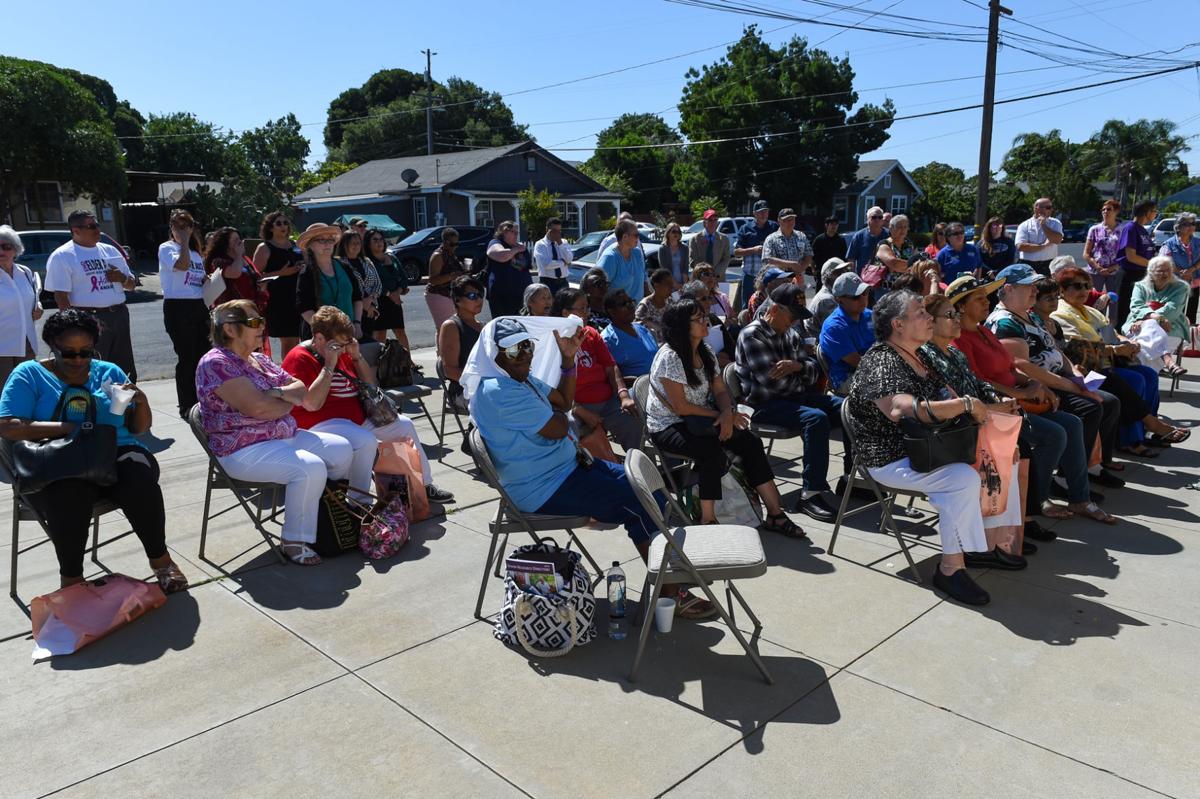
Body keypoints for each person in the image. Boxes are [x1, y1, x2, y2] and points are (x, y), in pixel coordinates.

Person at [0, 309, 187, 592]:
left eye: (85, 352)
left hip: (115, 453)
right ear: (53, 347)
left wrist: (142, 401)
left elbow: (138, 429)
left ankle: (161, 562)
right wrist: (71, 428)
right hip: (58, 460)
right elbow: (8, 426)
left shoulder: (109, 372)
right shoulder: (30, 374)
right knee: (68, 492)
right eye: (69, 353)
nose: (78, 361)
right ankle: (73, 580)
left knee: (138, 476)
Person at [844, 290, 994, 605]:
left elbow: (945, 392)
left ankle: (986, 546)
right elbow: (901, 409)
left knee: (990, 459)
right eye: (920, 314)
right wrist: (965, 404)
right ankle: (953, 567)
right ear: (898, 324)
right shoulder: (881, 361)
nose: (929, 318)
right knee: (961, 479)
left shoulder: (920, 353)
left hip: (926, 447)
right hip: (889, 458)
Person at [469, 318, 660, 560]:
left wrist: (568, 360)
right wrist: (558, 415)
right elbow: (559, 427)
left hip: (569, 468)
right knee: (640, 502)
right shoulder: (499, 391)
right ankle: (670, 588)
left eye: (528, 346)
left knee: (650, 487)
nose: (525, 355)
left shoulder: (520, 379)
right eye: (514, 350)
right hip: (545, 488)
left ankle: (671, 579)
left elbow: (564, 402)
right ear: (494, 355)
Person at [196, 300, 356, 566]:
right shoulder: (216, 363)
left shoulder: (259, 359)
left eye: (262, 320)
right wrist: (283, 403)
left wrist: (277, 395)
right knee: (310, 468)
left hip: (281, 437)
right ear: (230, 330)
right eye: (254, 323)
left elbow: (300, 390)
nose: (262, 327)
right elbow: (258, 408)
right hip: (242, 450)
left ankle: (325, 517)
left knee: (341, 449)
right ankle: (295, 540)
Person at [949, 275, 1107, 525]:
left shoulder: (982, 331)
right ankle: (1038, 499)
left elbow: (1011, 367)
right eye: (979, 299)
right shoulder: (959, 338)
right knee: (1054, 434)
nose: (986, 302)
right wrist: (1022, 393)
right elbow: (978, 382)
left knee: (1073, 422)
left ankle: (1079, 497)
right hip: (997, 406)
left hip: (1020, 399)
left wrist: (1036, 384)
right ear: (960, 306)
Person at [647, 299, 802, 534]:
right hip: (668, 425)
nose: (705, 321)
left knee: (750, 442)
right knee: (711, 452)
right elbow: (680, 407)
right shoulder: (670, 357)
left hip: (704, 418)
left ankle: (775, 514)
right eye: (698, 319)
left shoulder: (705, 350)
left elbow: (720, 390)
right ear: (681, 326)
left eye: (704, 316)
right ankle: (707, 521)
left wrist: (728, 412)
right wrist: (722, 416)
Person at [281, 305, 453, 505]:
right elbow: (311, 404)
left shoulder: (344, 350)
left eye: (347, 343)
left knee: (404, 425)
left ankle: (422, 486)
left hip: (356, 420)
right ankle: (360, 502)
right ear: (319, 338)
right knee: (365, 441)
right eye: (339, 344)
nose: (343, 349)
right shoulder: (299, 357)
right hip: (320, 424)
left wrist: (357, 356)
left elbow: (370, 384)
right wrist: (329, 364)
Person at [916, 294, 1038, 557]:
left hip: (978, 421)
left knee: (1015, 451)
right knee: (1004, 457)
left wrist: (998, 399)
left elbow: (978, 383)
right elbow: (949, 401)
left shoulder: (955, 352)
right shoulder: (926, 357)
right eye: (949, 315)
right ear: (931, 322)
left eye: (955, 314)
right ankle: (987, 543)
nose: (956, 319)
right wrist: (991, 409)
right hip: (954, 431)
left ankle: (1002, 537)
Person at [988, 264, 1122, 490]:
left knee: (1110, 401)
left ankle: (1091, 465)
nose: (1034, 291)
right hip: (1038, 386)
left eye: (1034, 286)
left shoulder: (1031, 316)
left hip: (1060, 377)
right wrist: (1071, 385)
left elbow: (1055, 350)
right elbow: (1022, 366)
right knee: (1090, 407)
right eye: (1028, 286)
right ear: (1009, 289)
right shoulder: (1004, 321)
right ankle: (1065, 476)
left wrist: (1077, 376)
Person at [736, 284, 847, 522]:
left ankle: (852, 476)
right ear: (775, 310)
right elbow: (773, 384)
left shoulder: (790, 333)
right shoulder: (752, 335)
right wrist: (802, 373)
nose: (794, 321)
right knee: (816, 418)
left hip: (793, 397)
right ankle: (810, 493)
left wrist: (796, 367)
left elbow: (815, 372)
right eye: (792, 315)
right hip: (763, 405)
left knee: (848, 408)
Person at [1050, 265, 1189, 453]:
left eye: (1086, 286)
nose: (1084, 290)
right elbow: (1076, 349)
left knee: (1149, 375)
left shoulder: (1088, 310)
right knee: (1135, 380)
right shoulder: (1060, 313)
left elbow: (1111, 331)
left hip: (1107, 361)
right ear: (1062, 290)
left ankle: (1146, 431)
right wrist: (1116, 350)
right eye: (1077, 286)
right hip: (1088, 367)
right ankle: (1130, 439)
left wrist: (1127, 343)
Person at [44, 210, 137, 380]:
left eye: (97, 225)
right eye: (91, 226)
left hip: (118, 314)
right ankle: (96, 405)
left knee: (123, 368)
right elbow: (61, 296)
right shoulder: (63, 256)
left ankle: (126, 405)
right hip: (88, 317)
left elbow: (132, 285)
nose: (97, 231)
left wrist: (122, 278)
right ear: (76, 231)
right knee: (94, 371)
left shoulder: (110, 251)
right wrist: (75, 326)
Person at [552, 288, 640, 451]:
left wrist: (623, 395)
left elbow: (610, 366)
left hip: (607, 401)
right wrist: (580, 410)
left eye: (587, 308)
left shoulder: (591, 333)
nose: (586, 313)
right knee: (568, 431)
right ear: (565, 313)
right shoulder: (555, 342)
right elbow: (552, 386)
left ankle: (637, 468)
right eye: (582, 308)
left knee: (633, 418)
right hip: (575, 407)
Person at [158, 210, 209, 418]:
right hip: (178, 307)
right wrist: (185, 241)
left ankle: (203, 399)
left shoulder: (196, 253)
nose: (183, 229)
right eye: (178, 226)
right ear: (171, 228)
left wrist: (208, 280)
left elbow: (197, 277)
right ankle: (186, 404)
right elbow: (182, 265)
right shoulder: (167, 248)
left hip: (198, 305)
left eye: (187, 225)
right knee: (187, 357)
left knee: (203, 354)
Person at [1123, 254, 1190, 377]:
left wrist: (1148, 319)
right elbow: (1136, 306)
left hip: (1171, 327)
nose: (1165, 274)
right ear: (1151, 272)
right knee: (1151, 336)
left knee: (1142, 350)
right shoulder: (1141, 286)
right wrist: (1155, 317)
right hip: (1136, 326)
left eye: (1168, 270)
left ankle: (1140, 383)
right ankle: (1168, 360)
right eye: (1160, 271)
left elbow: (1172, 309)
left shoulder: (1180, 287)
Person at [295, 223, 362, 336]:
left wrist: (357, 324)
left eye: (330, 240)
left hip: (350, 332)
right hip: (320, 336)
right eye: (321, 240)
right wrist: (326, 332)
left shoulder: (344, 267)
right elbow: (304, 307)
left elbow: (357, 297)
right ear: (310, 245)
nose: (327, 244)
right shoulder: (307, 273)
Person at [252, 211, 304, 354]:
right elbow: (255, 277)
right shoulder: (265, 248)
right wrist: (281, 273)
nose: (283, 226)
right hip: (278, 300)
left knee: (298, 340)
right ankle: (287, 373)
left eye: (286, 223)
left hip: (298, 297)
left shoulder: (295, 245)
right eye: (279, 223)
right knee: (288, 342)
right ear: (270, 227)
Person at [0, 226, 42, 388]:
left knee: (27, 388)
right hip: (2, 345)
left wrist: (38, 306)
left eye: (6, 247)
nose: (1, 251)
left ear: (15, 250)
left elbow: (31, 298)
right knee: (4, 392)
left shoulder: (25, 272)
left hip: (26, 342)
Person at [820, 273, 874, 394]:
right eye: (855, 297)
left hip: (873, 367)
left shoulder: (870, 315)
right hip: (847, 377)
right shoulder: (833, 327)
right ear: (839, 300)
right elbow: (858, 363)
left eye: (865, 293)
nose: (862, 299)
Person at [437, 276, 485, 412]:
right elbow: (450, 370)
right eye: (472, 295)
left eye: (481, 295)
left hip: (486, 385)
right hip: (462, 390)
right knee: (500, 403)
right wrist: (483, 383)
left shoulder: (483, 327)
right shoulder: (451, 326)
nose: (479, 299)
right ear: (457, 300)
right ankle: (477, 432)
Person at [204, 226, 270, 318]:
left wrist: (262, 285)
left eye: (239, 239)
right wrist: (239, 254)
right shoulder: (218, 261)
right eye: (235, 239)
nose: (239, 242)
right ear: (226, 243)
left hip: (251, 308)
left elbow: (256, 276)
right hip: (231, 312)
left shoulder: (245, 259)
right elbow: (235, 273)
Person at [1115, 200, 1159, 330]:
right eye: (1154, 211)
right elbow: (1131, 256)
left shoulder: (1143, 230)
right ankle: (1121, 342)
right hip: (1129, 276)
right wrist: (1153, 264)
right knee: (1125, 312)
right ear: (1147, 212)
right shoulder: (1131, 228)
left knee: (1139, 312)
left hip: (1142, 275)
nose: (1156, 214)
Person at [364, 227, 410, 349]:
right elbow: (372, 282)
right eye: (375, 240)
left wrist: (397, 292)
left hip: (395, 300)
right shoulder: (367, 261)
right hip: (379, 301)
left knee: (400, 332)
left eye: (381, 239)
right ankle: (381, 363)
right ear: (368, 244)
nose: (379, 242)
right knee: (380, 333)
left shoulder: (392, 257)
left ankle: (408, 362)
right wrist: (390, 294)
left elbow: (404, 279)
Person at [601, 288, 659, 378]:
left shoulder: (642, 329)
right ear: (611, 311)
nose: (630, 306)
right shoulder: (608, 340)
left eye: (630, 301)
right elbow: (611, 377)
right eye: (623, 304)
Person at [336, 231, 382, 340]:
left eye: (358, 243)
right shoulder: (338, 263)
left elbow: (378, 284)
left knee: (368, 344)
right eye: (352, 243)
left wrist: (370, 300)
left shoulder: (366, 261)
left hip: (370, 310)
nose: (356, 246)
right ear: (344, 244)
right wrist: (362, 302)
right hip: (350, 310)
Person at [733, 200, 778, 311]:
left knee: (771, 306)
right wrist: (753, 250)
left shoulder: (775, 227)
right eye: (761, 212)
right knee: (748, 306)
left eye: (766, 211)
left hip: (770, 276)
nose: (764, 214)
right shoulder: (745, 229)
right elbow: (737, 252)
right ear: (754, 213)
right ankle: (747, 327)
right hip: (750, 276)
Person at [1084, 200, 1123, 324]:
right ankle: (1096, 323)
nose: (1105, 212)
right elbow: (1086, 253)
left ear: (1116, 211)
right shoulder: (1094, 229)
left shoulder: (1122, 231)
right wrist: (1098, 267)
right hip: (1096, 271)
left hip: (1115, 271)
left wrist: (1112, 268)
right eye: (1103, 209)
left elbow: (1125, 254)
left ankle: (1112, 328)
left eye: (1109, 209)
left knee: (1114, 301)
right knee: (1095, 299)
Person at [484, 220, 532, 319]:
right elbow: (502, 256)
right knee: (504, 325)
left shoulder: (520, 247)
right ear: (504, 232)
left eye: (517, 232)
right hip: (502, 296)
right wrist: (516, 249)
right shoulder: (495, 243)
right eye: (513, 232)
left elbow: (526, 267)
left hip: (521, 295)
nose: (516, 235)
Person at [1158, 212, 1200, 324]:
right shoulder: (1169, 244)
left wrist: (1191, 270)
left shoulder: (1198, 242)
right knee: (1175, 311)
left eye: (1193, 224)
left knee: (1191, 313)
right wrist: (1181, 272)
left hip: (1194, 281)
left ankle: (1189, 337)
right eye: (1187, 224)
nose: (1191, 227)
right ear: (1179, 226)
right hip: (1176, 282)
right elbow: (1164, 262)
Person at [426, 227, 467, 334]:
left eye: (457, 244)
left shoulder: (450, 254)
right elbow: (432, 280)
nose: (455, 247)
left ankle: (445, 350)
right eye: (452, 244)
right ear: (445, 242)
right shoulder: (438, 256)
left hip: (448, 295)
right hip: (438, 294)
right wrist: (451, 276)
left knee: (450, 327)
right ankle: (442, 350)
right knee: (444, 328)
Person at [599, 219, 649, 302]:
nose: (638, 238)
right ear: (625, 237)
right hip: (618, 311)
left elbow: (643, 278)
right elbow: (600, 289)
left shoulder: (637, 252)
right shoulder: (610, 257)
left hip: (637, 310)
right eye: (636, 235)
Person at [1014, 197, 1064, 276]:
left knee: (1049, 288)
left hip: (1049, 264)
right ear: (1037, 209)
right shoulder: (1024, 225)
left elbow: (1057, 240)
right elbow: (1021, 246)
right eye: (1048, 207)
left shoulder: (1055, 223)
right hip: (1028, 265)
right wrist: (1043, 246)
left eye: (1051, 207)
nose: (1051, 210)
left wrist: (1043, 225)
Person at [806, 257, 852, 337]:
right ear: (828, 276)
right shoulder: (826, 300)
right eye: (839, 272)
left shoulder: (834, 294)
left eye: (846, 271)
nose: (844, 275)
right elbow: (836, 331)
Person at [761, 208, 813, 278]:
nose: (790, 222)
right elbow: (767, 259)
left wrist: (800, 269)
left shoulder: (801, 236)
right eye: (786, 220)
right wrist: (790, 264)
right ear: (779, 221)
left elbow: (809, 255)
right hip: (778, 280)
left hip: (797, 279)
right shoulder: (771, 239)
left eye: (792, 219)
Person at [872, 213, 915, 291]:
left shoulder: (909, 244)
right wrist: (915, 265)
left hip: (906, 289)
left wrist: (910, 266)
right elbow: (895, 264)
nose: (903, 230)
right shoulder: (884, 244)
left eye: (905, 227)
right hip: (886, 290)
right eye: (899, 227)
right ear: (891, 228)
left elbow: (916, 261)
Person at [532, 217, 572, 295]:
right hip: (548, 282)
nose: (557, 233)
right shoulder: (540, 244)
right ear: (547, 230)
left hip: (563, 282)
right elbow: (546, 264)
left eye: (559, 231)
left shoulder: (563, 242)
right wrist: (563, 262)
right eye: (554, 231)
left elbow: (569, 259)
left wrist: (560, 244)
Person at [635, 268, 675, 341]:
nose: (671, 287)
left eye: (671, 284)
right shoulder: (645, 305)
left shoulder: (670, 301)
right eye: (668, 284)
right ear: (656, 286)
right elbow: (636, 325)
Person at [846, 206, 888, 274]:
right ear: (868, 219)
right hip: (864, 279)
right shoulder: (858, 236)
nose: (877, 220)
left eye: (880, 217)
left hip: (884, 279)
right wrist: (852, 276)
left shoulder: (889, 235)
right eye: (874, 217)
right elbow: (851, 259)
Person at [688, 209, 732, 274]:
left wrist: (714, 273)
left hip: (718, 278)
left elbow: (726, 259)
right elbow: (692, 260)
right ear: (704, 223)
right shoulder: (694, 240)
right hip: (700, 278)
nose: (713, 222)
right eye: (710, 220)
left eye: (715, 220)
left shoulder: (724, 239)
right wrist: (705, 273)